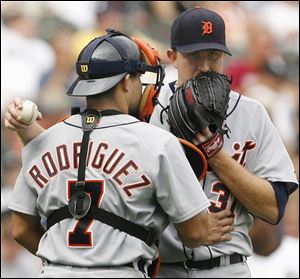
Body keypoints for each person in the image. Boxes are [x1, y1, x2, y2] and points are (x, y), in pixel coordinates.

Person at [5, 29, 234, 278]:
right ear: (126, 81)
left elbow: (20, 230)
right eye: (138, 78)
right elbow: (195, 233)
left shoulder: (44, 140)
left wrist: (64, 258)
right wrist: (208, 228)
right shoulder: (158, 142)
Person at [148, 7, 299, 278]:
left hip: (228, 268)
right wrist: (187, 223)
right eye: (194, 56)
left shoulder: (251, 113)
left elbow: (274, 207)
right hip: (165, 270)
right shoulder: (149, 114)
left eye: (214, 56)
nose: (205, 66)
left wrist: (216, 155)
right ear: (173, 57)